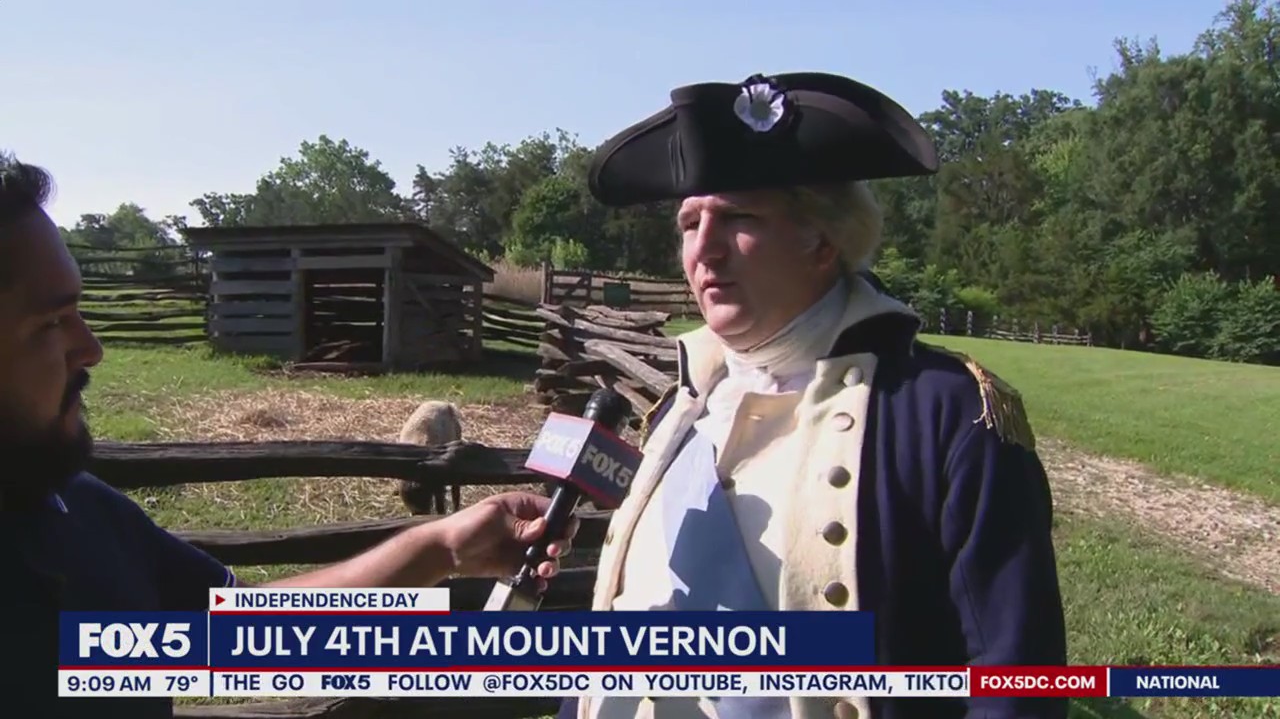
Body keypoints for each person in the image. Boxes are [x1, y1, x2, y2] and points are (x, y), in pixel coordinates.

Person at [564, 73, 1068, 719]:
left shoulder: (947, 418)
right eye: (690, 221)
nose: (704, 248)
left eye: (739, 217)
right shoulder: (679, 410)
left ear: (824, 240)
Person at [0, 153, 577, 718]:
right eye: (50, 323)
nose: (90, 347)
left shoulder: (80, 511)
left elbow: (236, 635)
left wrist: (441, 548)